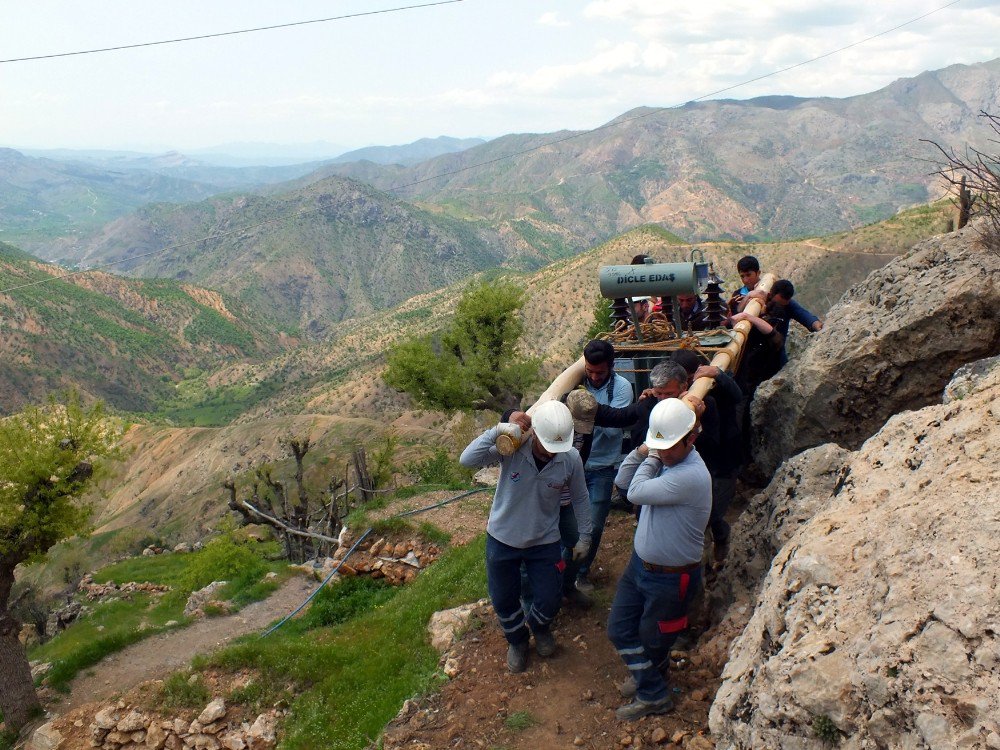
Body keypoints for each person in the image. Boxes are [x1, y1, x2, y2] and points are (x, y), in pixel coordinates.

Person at [459, 400, 593, 673]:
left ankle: (540, 627)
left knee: (549, 597)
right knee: (504, 599)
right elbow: (467, 460)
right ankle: (517, 641)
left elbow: (580, 498)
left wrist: (585, 536)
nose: (551, 452)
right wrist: (497, 429)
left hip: (544, 541)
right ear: (535, 435)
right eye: (547, 445)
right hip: (502, 538)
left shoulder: (570, 458)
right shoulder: (512, 448)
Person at [607, 398, 712, 720]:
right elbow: (623, 482)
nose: (664, 452)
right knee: (620, 629)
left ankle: (654, 694)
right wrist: (643, 451)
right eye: (660, 445)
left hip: (670, 577)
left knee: (654, 639)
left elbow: (635, 493)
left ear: (690, 439)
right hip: (641, 566)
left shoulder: (690, 475)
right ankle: (651, 678)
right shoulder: (667, 461)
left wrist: (651, 455)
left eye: (669, 446)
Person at [671, 351, 742, 562]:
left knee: (713, 510)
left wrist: (718, 373)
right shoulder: (681, 396)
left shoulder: (715, 386)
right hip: (701, 459)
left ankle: (721, 536)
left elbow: (737, 395)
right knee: (702, 510)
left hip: (724, 458)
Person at [574, 341, 633, 593]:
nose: (595, 377)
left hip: (603, 466)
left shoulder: (622, 387)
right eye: (590, 371)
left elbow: (614, 427)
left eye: (600, 372)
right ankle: (563, 571)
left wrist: (583, 412)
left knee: (595, 524)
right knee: (566, 521)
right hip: (575, 464)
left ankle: (581, 573)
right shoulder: (577, 380)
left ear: (611, 367)